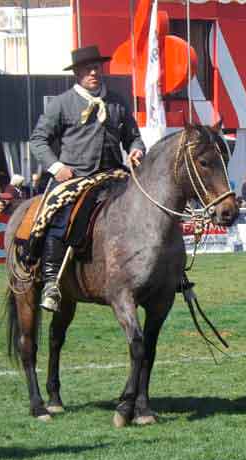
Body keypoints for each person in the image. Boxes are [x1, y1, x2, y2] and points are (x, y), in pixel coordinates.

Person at [29, 45, 145, 313]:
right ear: (77, 73)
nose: (93, 72)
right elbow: (38, 140)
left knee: (146, 208)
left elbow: (132, 136)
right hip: (74, 177)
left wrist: (137, 148)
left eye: (96, 67)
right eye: (87, 68)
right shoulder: (61, 103)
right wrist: (56, 166)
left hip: (113, 174)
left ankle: (167, 273)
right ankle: (50, 281)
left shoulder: (116, 101)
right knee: (60, 216)